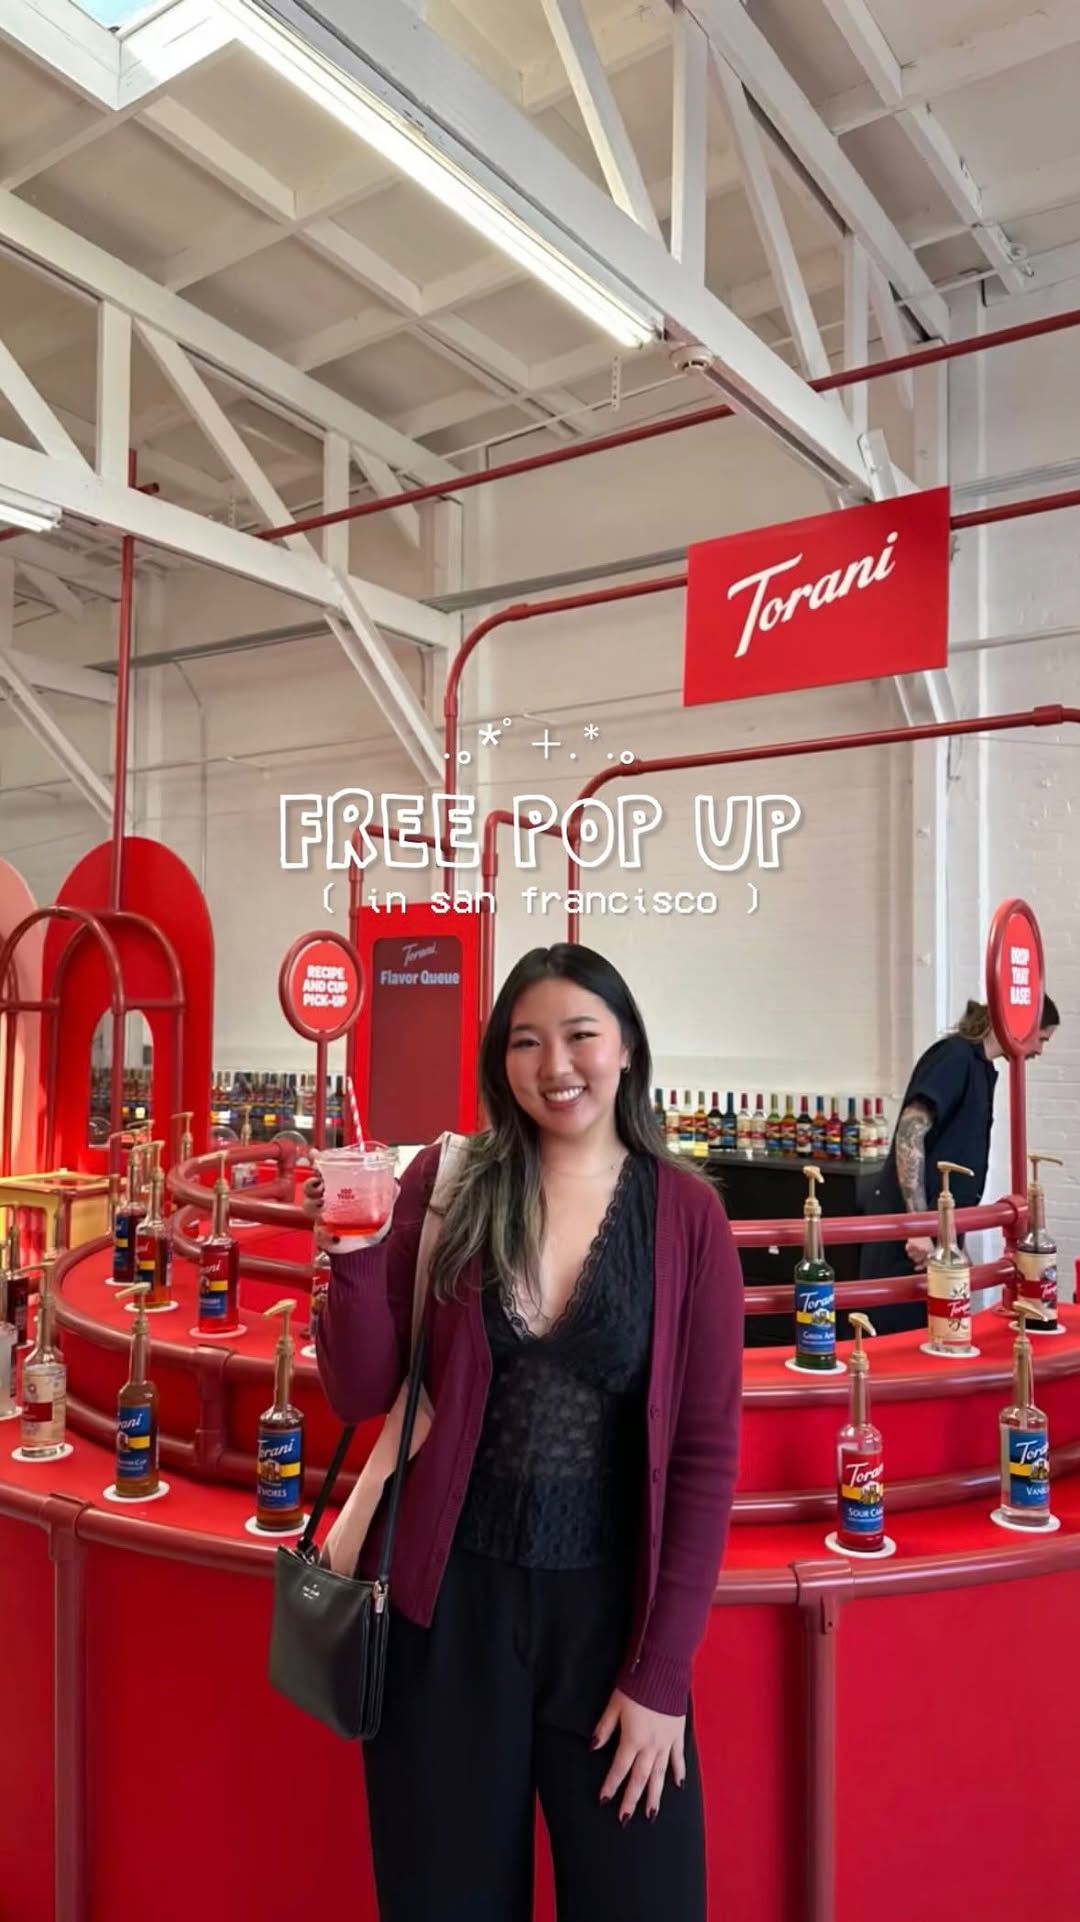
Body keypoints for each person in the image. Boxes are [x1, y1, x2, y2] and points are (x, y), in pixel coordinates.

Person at [307, 943, 744, 1922]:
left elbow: (706, 1454)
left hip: (610, 1626)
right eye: (525, 1041)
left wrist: (661, 1673)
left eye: (580, 1034)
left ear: (626, 1045)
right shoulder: (450, 1182)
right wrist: (352, 1251)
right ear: (499, 1061)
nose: (556, 1064)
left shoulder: (686, 1217)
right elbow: (360, 1387)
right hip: (445, 1618)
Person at [857, 992, 1060, 1333]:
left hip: (940, 1229)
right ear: (1020, 1025)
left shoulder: (981, 1067)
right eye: (1041, 1039)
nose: (1039, 1050)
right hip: (910, 1236)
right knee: (898, 1337)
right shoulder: (955, 1057)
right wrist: (918, 1227)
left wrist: (949, 1239)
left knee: (937, 1333)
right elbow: (909, 1133)